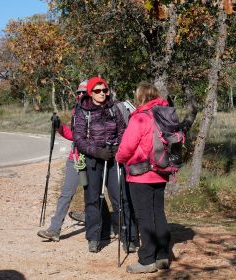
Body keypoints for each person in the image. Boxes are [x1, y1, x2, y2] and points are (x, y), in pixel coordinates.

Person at [73, 77, 138, 253]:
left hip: (114, 159)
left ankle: (129, 238)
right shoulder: (82, 111)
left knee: (121, 199)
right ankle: (94, 238)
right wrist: (96, 151)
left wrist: (119, 147)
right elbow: (78, 138)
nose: (102, 93)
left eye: (104, 90)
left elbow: (123, 130)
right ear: (90, 93)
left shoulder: (113, 108)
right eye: (97, 90)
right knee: (93, 200)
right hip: (93, 160)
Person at [116, 82, 171, 274]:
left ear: (139, 97)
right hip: (161, 171)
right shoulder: (165, 115)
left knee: (144, 216)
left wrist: (119, 158)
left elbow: (127, 147)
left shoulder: (140, 117)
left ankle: (147, 259)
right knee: (158, 213)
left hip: (141, 173)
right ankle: (162, 255)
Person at [37, 80, 89, 242]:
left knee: (93, 194)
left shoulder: (101, 112)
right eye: (78, 92)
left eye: (83, 93)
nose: (80, 95)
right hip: (74, 159)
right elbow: (73, 135)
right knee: (66, 194)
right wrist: (59, 127)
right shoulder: (76, 111)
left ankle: (95, 219)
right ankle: (54, 230)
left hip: (93, 159)